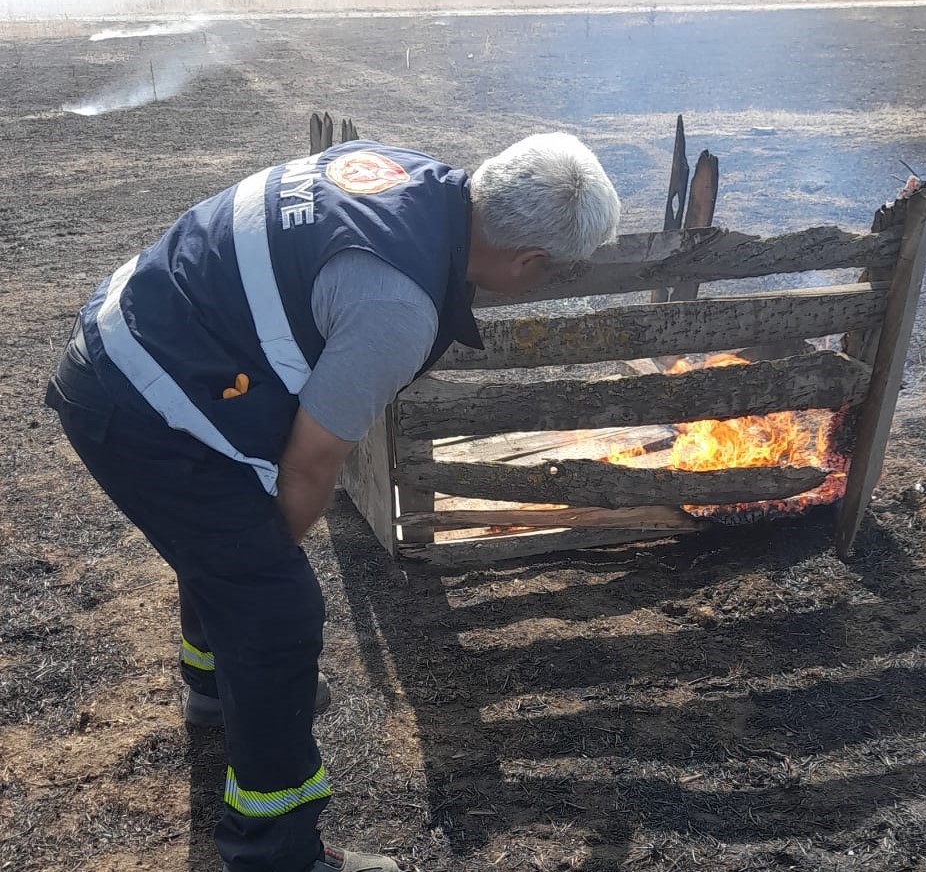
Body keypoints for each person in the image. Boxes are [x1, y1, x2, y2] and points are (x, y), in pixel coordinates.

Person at [44, 133, 620, 872]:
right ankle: (276, 851)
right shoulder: (397, 305)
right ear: (527, 262)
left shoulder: (405, 174)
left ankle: (217, 691)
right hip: (141, 403)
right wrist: (262, 577)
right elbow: (314, 462)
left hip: (132, 334)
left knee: (232, 551)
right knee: (276, 612)